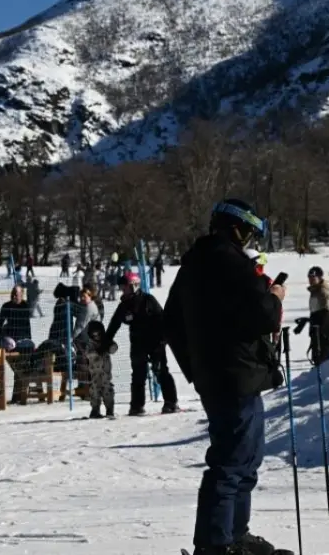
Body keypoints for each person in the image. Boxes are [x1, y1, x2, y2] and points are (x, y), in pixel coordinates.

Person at [163, 199, 287, 555]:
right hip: (237, 377)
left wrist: (198, 369)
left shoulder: (193, 265)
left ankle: (234, 535)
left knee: (245, 460)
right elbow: (264, 315)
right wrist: (275, 297)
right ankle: (216, 544)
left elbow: (171, 322)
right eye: (248, 231)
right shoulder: (230, 263)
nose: (249, 239)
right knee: (233, 463)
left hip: (224, 376)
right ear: (237, 228)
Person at [100, 271, 179, 415]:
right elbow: (114, 323)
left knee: (160, 370)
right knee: (138, 374)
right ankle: (137, 405)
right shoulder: (124, 305)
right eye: (122, 288)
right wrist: (107, 340)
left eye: (126, 288)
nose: (123, 291)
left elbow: (163, 319)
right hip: (137, 343)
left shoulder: (148, 300)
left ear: (135, 286)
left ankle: (171, 402)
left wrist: (163, 339)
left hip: (155, 342)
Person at [84, 320, 116, 419]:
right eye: (94, 335)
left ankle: (109, 409)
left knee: (107, 390)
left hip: (105, 372)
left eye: (98, 334)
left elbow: (113, 348)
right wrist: (96, 352)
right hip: (95, 373)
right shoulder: (90, 344)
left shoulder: (106, 341)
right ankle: (95, 409)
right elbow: (88, 354)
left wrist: (110, 347)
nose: (97, 336)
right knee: (94, 391)